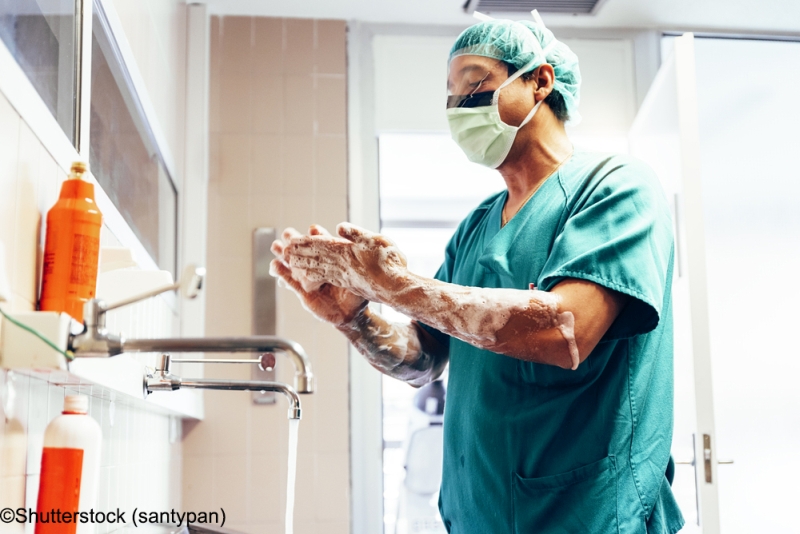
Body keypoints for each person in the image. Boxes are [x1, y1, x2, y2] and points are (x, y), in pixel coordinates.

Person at [271, 17, 685, 534]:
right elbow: (424, 360)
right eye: (449, 94)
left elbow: (567, 331)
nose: (458, 107)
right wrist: (354, 317)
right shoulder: (475, 229)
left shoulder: (617, 188)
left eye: (475, 82)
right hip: (477, 516)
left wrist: (394, 284)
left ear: (540, 81)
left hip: (586, 516)